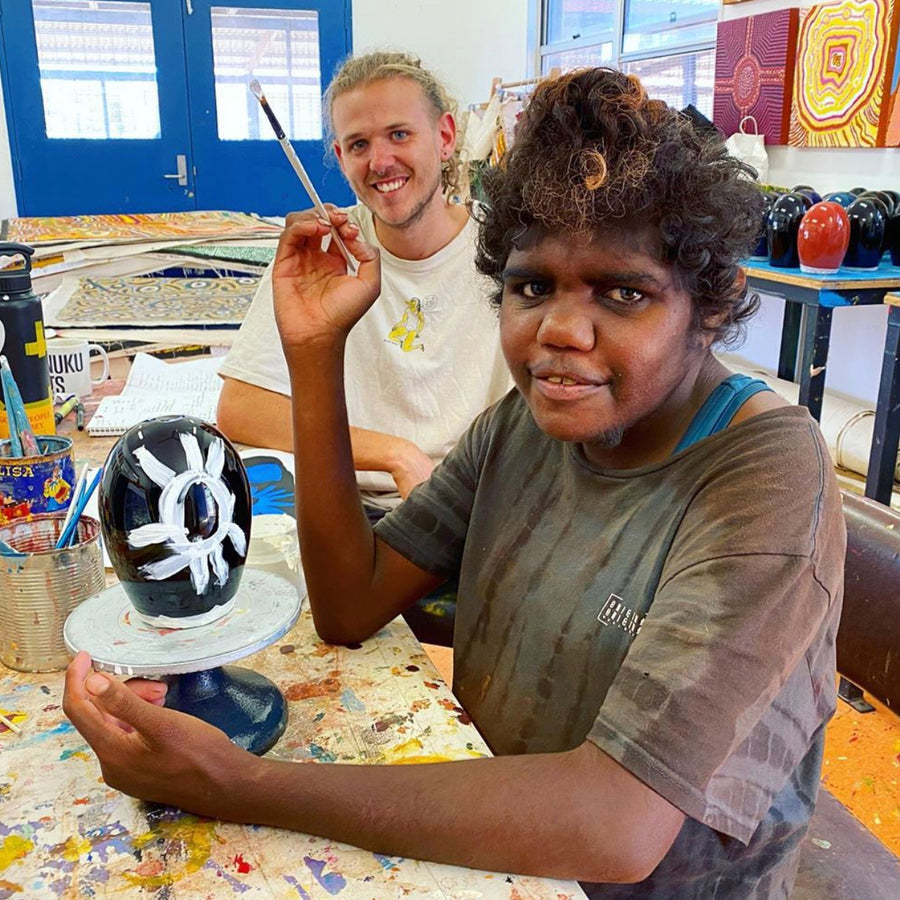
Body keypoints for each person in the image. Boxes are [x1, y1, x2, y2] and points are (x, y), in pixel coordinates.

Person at [64, 68, 846, 898]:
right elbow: (350, 603)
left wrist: (238, 785)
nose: (561, 331)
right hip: (504, 847)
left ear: (712, 305)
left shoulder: (763, 476)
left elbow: (616, 825)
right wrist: (316, 353)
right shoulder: (524, 428)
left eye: (624, 293)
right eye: (532, 286)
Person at [217, 50, 511, 508]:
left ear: (445, 136)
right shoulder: (322, 253)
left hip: (473, 510)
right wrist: (395, 454)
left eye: (399, 134)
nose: (379, 161)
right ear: (339, 156)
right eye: (358, 145)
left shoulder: (506, 254)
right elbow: (241, 408)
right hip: (350, 508)